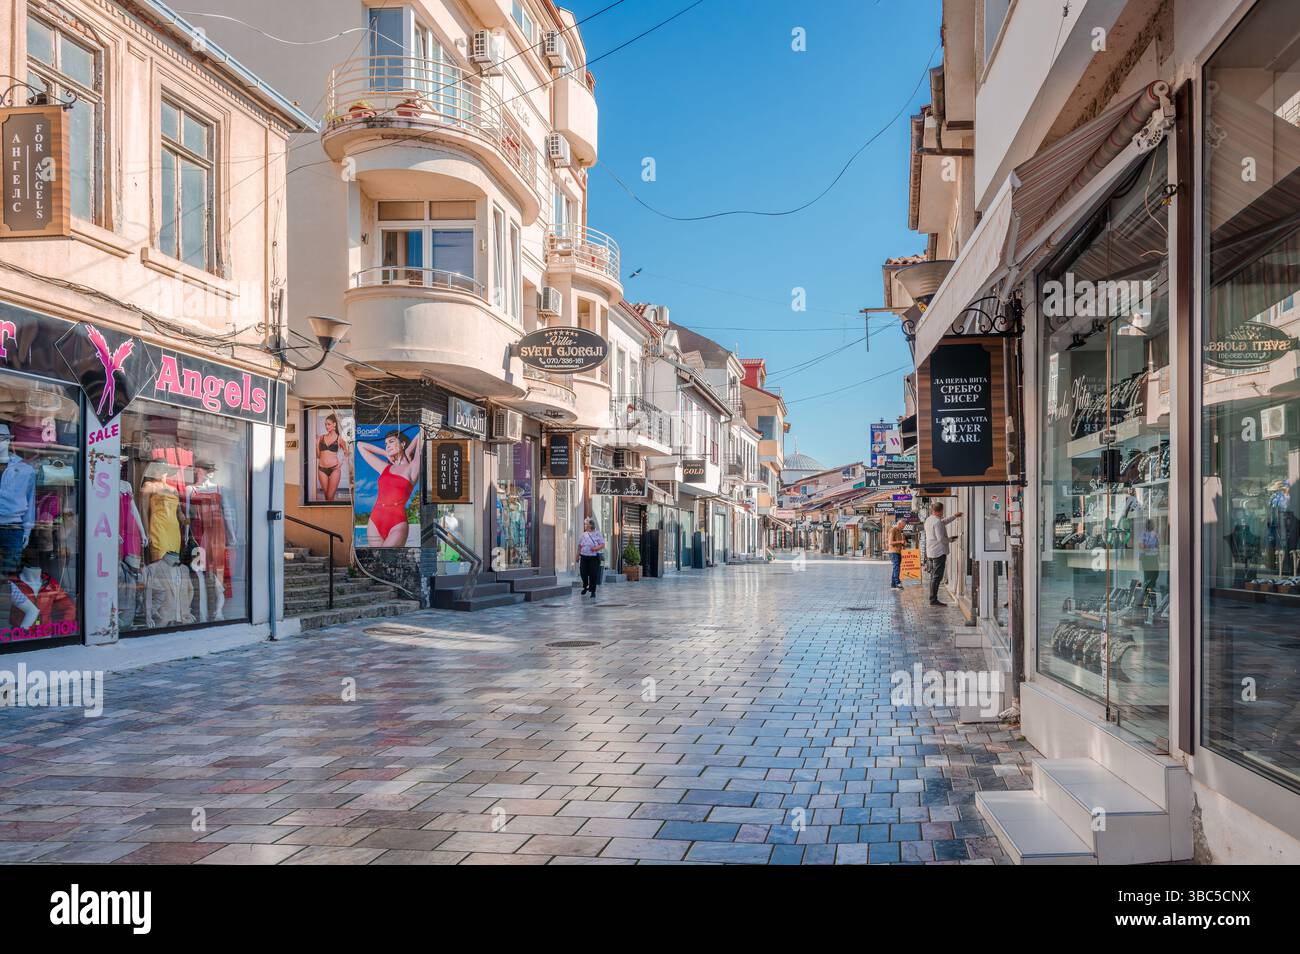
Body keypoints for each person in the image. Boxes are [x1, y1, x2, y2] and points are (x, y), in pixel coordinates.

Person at [358, 429, 422, 547]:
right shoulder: (385, 468)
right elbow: (360, 445)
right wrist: (385, 453)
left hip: (397, 524)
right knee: (377, 563)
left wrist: (406, 450)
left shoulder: (412, 469)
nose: (388, 445)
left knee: (388, 560)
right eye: (386, 444)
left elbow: (421, 436)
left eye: (391, 441)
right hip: (374, 521)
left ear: (403, 443)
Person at [923, 501, 962, 606]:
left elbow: (943, 522)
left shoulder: (929, 520)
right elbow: (941, 539)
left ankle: (932, 598)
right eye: (942, 511)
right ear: (940, 511)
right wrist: (950, 540)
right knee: (937, 576)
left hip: (931, 552)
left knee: (933, 576)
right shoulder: (937, 522)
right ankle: (933, 599)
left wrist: (954, 516)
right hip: (939, 552)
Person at [315, 413, 350, 502]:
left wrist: (341, 463)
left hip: (334, 469)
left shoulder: (339, 438)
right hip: (322, 469)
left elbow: (347, 452)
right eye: (325, 424)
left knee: (330, 496)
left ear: (334, 424)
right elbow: (318, 456)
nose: (327, 426)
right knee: (327, 497)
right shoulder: (321, 438)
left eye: (329, 424)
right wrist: (316, 444)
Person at [577, 516, 605, 600]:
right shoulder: (583, 535)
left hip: (593, 558)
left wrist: (595, 548)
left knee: (593, 575)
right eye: (585, 524)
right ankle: (585, 586)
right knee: (583, 573)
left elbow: (602, 544)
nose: (585, 526)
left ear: (590, 525)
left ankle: (593, 591)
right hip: (584, 557)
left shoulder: (597, 533)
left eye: (586, 524)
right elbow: (579, 546)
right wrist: (577, 555)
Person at [887, 517, 907, 589]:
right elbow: (890, 542)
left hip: (898, 551)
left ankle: (893, 584)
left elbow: (899, 542)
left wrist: (903, 543)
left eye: (904, 526)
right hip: (893, 552)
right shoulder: (893, 530)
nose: (903, 528)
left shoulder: (899, 531)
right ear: (899, 524)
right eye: (902, 526)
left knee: (895, 567)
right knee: (896, 567)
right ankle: (898, 583)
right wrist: (900, 542)